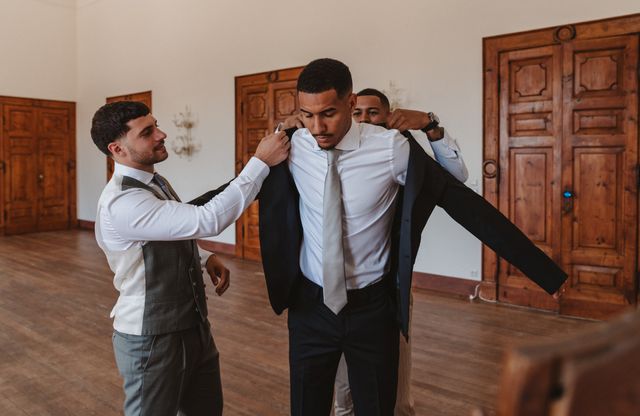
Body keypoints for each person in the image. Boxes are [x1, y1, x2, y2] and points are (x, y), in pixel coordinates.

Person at [257, 58, 567, 416]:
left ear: (350, 101)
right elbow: (238, 188)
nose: (317, 127)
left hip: (372, 310)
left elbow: (462, 202)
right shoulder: (294, 145)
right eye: (307, 115)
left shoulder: (391, 148)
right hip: (310, 307)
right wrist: (177, 215)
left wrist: (543, 271)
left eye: (327, 113)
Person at [90, 101, 289, 416]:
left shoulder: (156, 183)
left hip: (193, 325)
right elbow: (206, 219)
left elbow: (166, 231)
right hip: (152, 339)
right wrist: (260, 162)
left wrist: (204, 256)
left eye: (156, 125)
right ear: (118, 148)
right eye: (148, 132)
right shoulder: (122, 202)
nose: (161, 134)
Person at [335, 87, 468, 416]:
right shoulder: (336, 153)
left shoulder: (402, 153)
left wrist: (429, 124)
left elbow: (456, 177)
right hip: (336, 281)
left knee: (395, 367)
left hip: (389, 281)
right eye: (358, 113)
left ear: (389, 116)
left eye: (373, 112)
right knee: (341, 376)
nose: (365, 119)